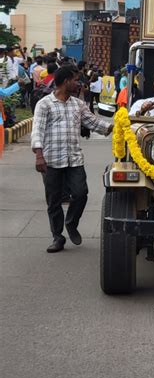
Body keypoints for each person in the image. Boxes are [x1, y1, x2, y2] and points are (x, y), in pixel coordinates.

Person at [31, 65, 113, 253]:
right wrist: (39, 155)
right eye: (75, 80)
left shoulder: (78, 104)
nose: (78, 83)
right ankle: (57, 237)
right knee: (54, 200)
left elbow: (93, 123)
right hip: (51, 160)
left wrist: (117, 127)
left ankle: (71, 223)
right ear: (66, 81)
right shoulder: (45, 104)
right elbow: (38, 130)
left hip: (74, 159)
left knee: (80, 193)